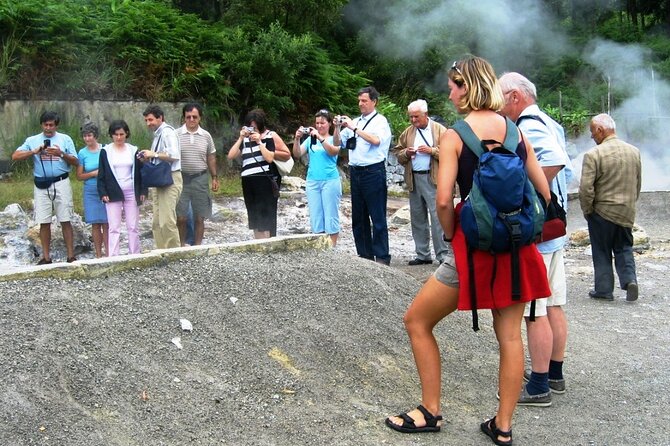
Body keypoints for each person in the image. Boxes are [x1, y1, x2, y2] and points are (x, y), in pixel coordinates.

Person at [384, 57, 550, 446]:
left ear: (468, 85)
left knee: (417, 321)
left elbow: (443, 200)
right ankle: (503, 427)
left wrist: (453, 235)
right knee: (509, 337)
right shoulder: (513, 130)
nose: (449, 92)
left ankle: (430, 411)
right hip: (514, 248)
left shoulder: (455, 135)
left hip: (472, 250)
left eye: (453, 85)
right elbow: (542, 190)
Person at [499, 72, 573, 407]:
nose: (499, 107)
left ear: (514, 96)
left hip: (540, 234)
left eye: (501, 99)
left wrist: (526, 194)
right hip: (555, 231)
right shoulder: (548, 120)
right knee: (554, 303)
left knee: (535, 309)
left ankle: (539, 384)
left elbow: (556, 162)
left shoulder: (528, 125)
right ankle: (554, 373)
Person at [579, 113, 641, 302]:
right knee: (624, 248)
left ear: (600, 130)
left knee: (602, 250)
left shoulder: (593, 155)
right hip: (626, 211)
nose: (592, 137)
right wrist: (630, 205)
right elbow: (637, 183)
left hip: (602, 212)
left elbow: (586, 188)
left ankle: (604, 290)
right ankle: (630, 280)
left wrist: (588, 210)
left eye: (592, 133)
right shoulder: (634, 151)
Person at [12, 111, 79, 264]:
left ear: (56, 125)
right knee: (44, 221)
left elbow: (76, 161)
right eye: (46, 125)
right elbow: (15, 156)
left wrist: (60, 153)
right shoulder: (32, 140)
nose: (48, 128)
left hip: (61, 181)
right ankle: (46, 257)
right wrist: (34, 151)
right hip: (41, 183)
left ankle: (71, 255)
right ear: (41, 125)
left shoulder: (65, 139)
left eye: (51, 125)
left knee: (65, 218)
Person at [337, 86, 393, 265]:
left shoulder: (380, 121)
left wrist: (354, 129)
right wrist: (338, 127)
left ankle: (382, 257)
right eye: (359, 100)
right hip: (356, 172)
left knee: (377, 216)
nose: (360, 103)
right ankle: (364, 255)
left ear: (374, 102)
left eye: (364, 100)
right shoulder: (355, 121)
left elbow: (376, 140)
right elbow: (339, 143)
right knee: (358, 217)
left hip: (373, 171)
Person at [392, 99, 449, 265]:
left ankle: (443, 256)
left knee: (437, 218)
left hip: (433, 179)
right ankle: (423, 254)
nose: (413, 120)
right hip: (414, 178)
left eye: (416, 116)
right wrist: (406, 154)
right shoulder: (408, 132)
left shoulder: (441, 131)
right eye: (411, 117)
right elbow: (397, 152)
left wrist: (432, 151)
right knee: (417, 217)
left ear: (426, 115)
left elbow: (451, 153)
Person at [227, 109, 291, 239]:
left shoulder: (268, 137)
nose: (252, 130)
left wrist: (259, 142)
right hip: (247, 179)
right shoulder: (244, 140)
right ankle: (258, 243)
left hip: (263, 179)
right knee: (254, 215)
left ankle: (267, 244)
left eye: (255, 127)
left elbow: (269, 158)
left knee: (264, 216)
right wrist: (240, 138)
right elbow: (231, 155)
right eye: (250, 127)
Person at [97, 120, 147, 256]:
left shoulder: (133, 150)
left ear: (126, 134)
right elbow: (102, 174)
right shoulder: (105, 151)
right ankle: (113, 256)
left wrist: (143, 190)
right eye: (116, 135)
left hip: (131, 190)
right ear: (111, 135)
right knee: (114, 227)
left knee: (133, 226)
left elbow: (140, 172)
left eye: (121, 134)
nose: (119, 138)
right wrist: (103, 192)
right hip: (113, 191)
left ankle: (134, 253)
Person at [292, 109, 342, 246]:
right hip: (313, 180)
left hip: (330, 180)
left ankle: (332, 245)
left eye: (322, 123)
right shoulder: (309, 140)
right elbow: (297, 154)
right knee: (316, 214)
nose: (319, 126)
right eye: (317, 123)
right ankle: (319, 244)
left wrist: (320, 138)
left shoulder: (334, 138)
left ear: (330, 124)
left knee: (331, 213)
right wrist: (297, 138)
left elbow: (333, 151)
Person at [139, 105, 183, 249]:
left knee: (167, 220)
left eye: (150, 119)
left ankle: (174, 254)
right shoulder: (158, 134)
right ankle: (161, 251)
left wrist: (154, 154)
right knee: (157, 221)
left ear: (160, 117)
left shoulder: (167, 133)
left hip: (170, 178)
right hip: (160, 180)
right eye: (146, 120)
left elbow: (174, 155)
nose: (148, 123)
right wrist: (147, 157)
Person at [176, 103, 219, 246]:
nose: (191, 119)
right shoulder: (176, 134)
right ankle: (181, 245)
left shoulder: (206, 136)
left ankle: (198, 246)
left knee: (199, 216)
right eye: (188, 117)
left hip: (200, 178)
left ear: (200, 118)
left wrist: (214, 177)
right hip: (181, 178)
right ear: (184, 118)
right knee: (181, 216)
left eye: (195, 116)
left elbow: (211, 156)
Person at [76, 122, 109, 258]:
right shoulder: (82, 153)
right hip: (90, 189)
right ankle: (98, 254)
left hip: (105, 189)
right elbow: (79, 176)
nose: (87, 139)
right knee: (95, 223)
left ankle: (109, 252)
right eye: (84, 136)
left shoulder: (105, 149)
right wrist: (93, 173)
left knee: (107, 223)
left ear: (95, 136)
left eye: (89, 135)